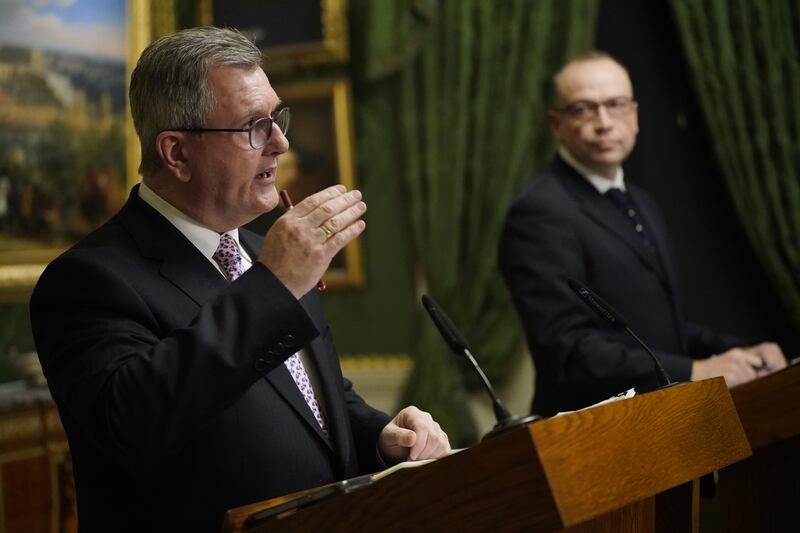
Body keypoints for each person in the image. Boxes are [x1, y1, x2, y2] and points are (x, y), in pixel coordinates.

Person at [29, 27, 450, 532]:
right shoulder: (87, 280)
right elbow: (134, 424)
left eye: (277, 118)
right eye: (254, 126)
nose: (281, 142)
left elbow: (314, 400)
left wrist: (380, 436)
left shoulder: (266, 253)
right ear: (176, 153)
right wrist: (272, 286)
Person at [498, 51, 787, 417]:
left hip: (670, 416)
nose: (604, 122)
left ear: (634, 115)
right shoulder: (539, 213)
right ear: (556, 125)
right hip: (597, 431)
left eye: (616, 105)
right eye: (584, 109)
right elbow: (569, 351)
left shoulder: (642, 202)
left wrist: (744, 352)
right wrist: (695, 371)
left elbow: (665, 328)